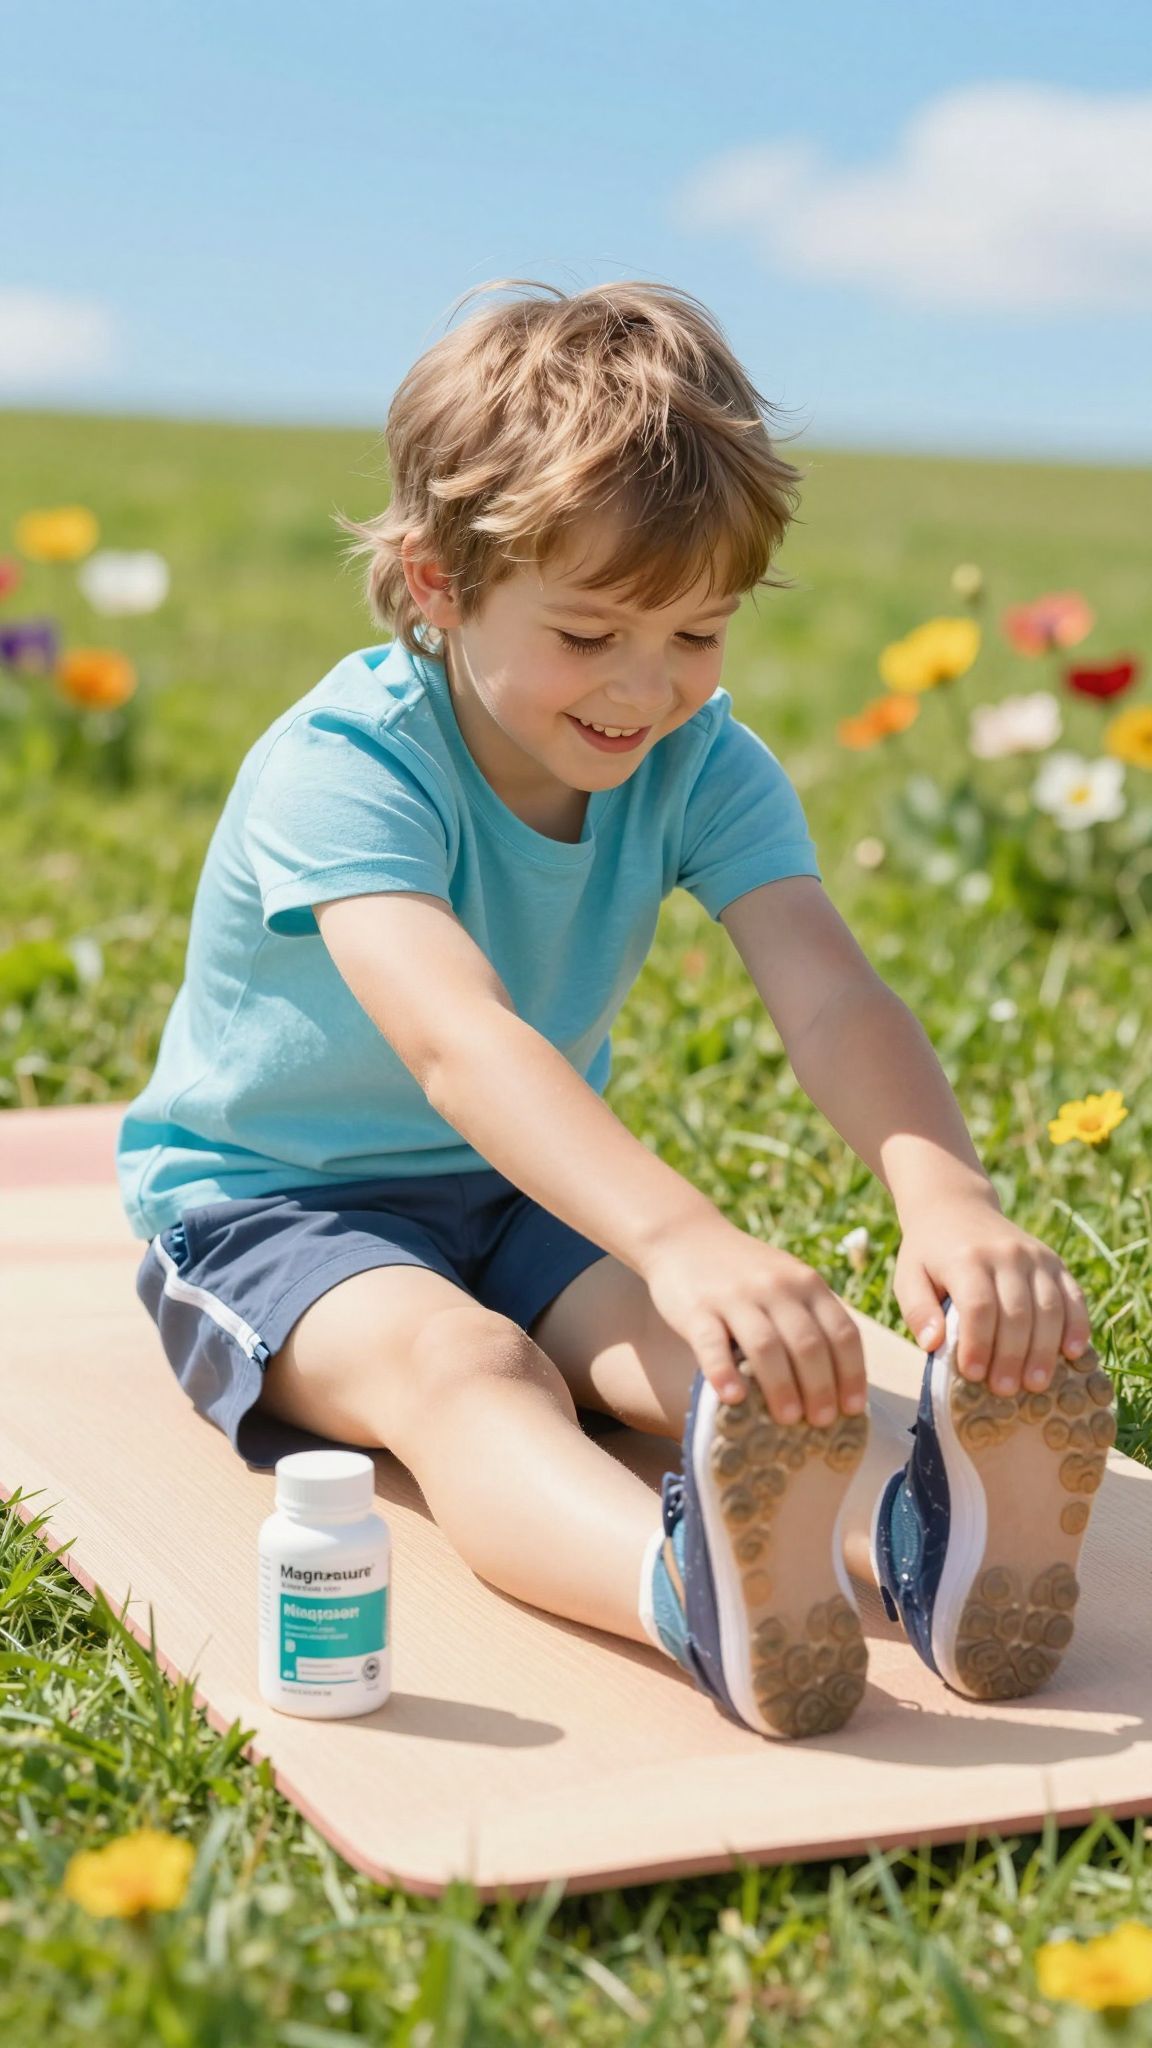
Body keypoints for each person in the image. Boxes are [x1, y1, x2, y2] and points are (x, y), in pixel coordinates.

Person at [120, 278, 1114, 1742]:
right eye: (592, 636)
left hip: (523, 1189)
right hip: (274, 1211)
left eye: (698, 637)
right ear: (437, 581)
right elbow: (461, 1042)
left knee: (743, 1362)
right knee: (472, 1367)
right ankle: (691, 1595)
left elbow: (832, 992)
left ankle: (926, 1534)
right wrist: (681, 1229)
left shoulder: (700, 762)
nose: (647, 692)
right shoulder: (342, 767)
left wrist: (946, 1198)